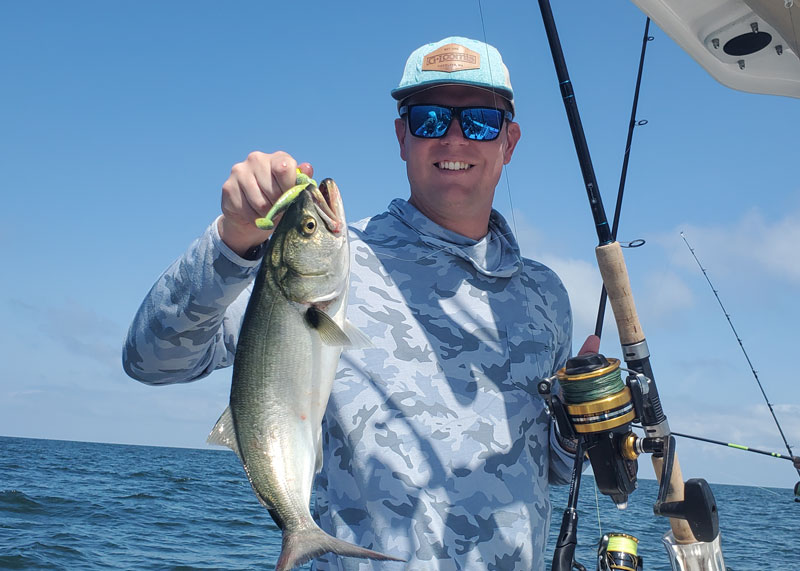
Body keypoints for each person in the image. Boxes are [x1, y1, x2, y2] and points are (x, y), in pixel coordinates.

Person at [123, 36, 589, 570]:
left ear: (509, 141)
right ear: (402, 136)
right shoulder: (331, 262)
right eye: (430, 119)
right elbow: (152, 361)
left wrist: (578, 427)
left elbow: (552, 469)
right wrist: (231, 241)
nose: (454, 137)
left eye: (481, 121)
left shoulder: (546, 296)